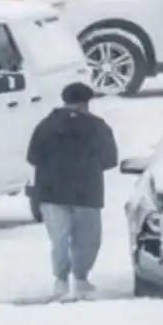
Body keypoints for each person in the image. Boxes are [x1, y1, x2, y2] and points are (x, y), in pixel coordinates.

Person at [25, 82, 118, 300]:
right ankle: (81, 278)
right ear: (87, 102)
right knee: (87, 239)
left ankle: (60, 279)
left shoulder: (45, 125)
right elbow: (110, 159)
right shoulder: (98, 126)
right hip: (87, 191)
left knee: (59, 237)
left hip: (50, 191)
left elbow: (32, 157)